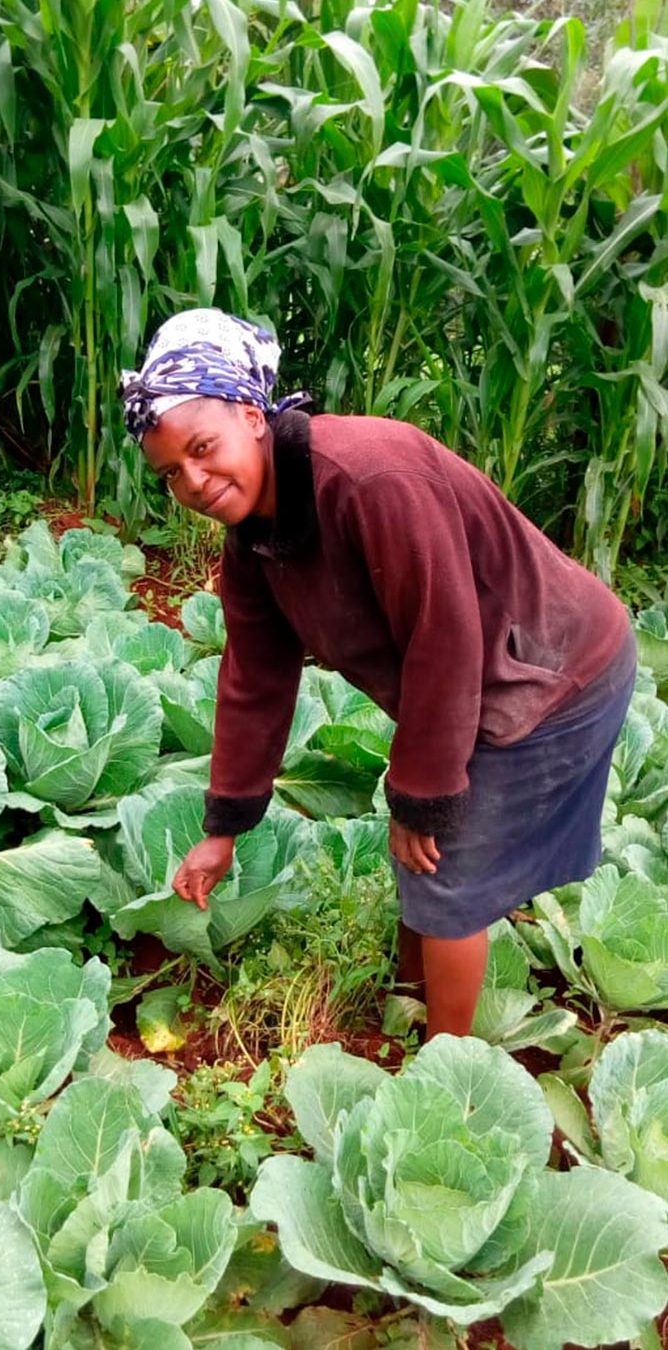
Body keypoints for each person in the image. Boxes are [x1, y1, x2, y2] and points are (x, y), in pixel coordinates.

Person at [119, 308, 635, 1040]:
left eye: (204, 449)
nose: (195, 481)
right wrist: (224, 826)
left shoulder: (367, 478)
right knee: (424, 858)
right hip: (481, 681)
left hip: (555, 674)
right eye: (172, 473)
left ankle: (441, 1062)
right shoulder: (254, 540)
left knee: (447, 873)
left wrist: (420, 797)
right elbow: (254, 678)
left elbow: (444, 639)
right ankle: (406, 995)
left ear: (251, 415)